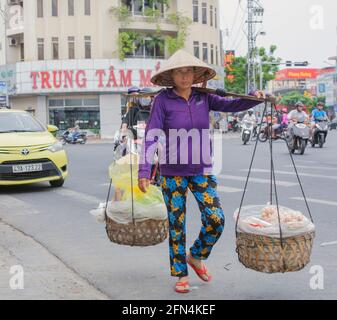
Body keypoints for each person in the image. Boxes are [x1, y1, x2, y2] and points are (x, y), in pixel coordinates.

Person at [137, 49, 264, 294]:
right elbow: (151, 135)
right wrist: (144, 170)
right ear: (171, 75)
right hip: (172, 172)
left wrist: (254, 98)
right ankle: (181, 274)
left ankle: (195, 256)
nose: (184, 77)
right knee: (177, 225)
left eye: (188, 72)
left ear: (195, 74)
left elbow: (232, 104)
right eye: (179, 72)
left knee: (216, 219)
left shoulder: (203, 97)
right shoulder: (162, 101)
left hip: (201, 170)